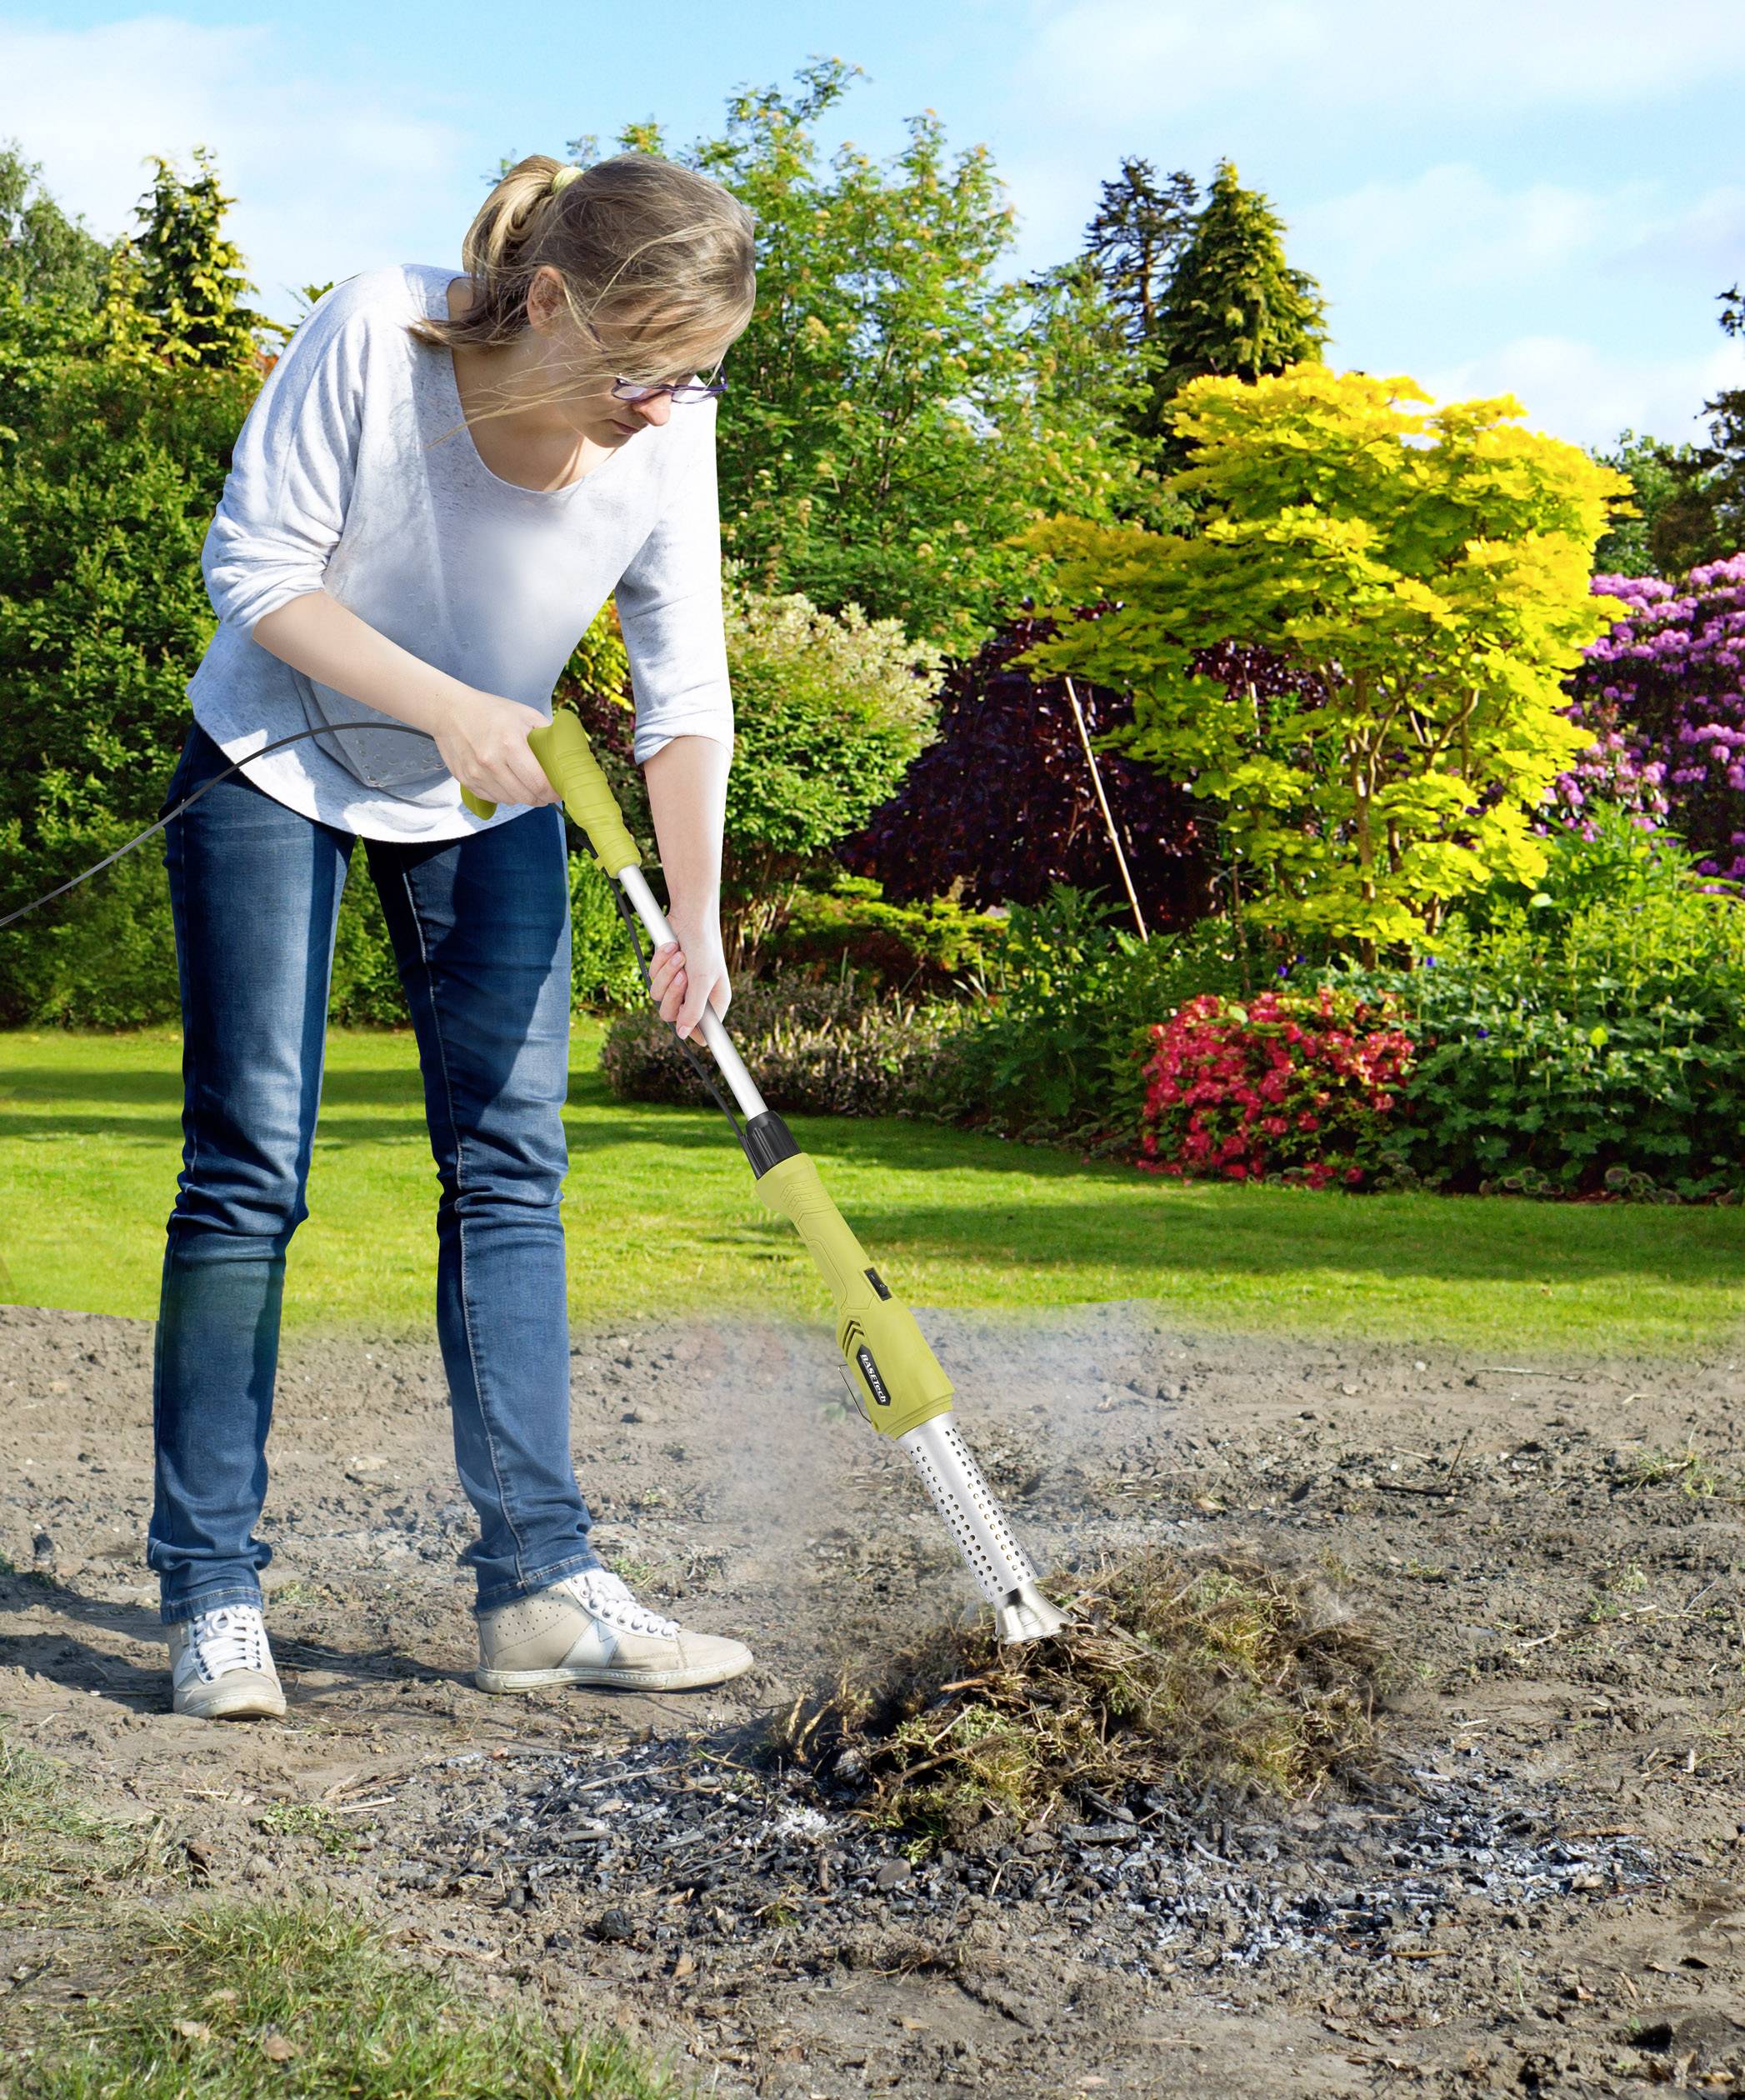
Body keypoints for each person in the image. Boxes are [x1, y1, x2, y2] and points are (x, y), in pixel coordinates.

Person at [150, 152, 758, 1720]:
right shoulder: (373, 330)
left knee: (509, 1170)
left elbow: (683, 690)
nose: (664, 408)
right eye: (643, 370)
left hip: (490, 793)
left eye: (695, 378)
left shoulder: (667, 431)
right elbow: (257, 574)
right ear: (548, 298)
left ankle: (541, 1590)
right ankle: (213, 1592)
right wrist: (451, 708)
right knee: (248, 1164)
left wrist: (694, 912)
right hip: (273, 761)